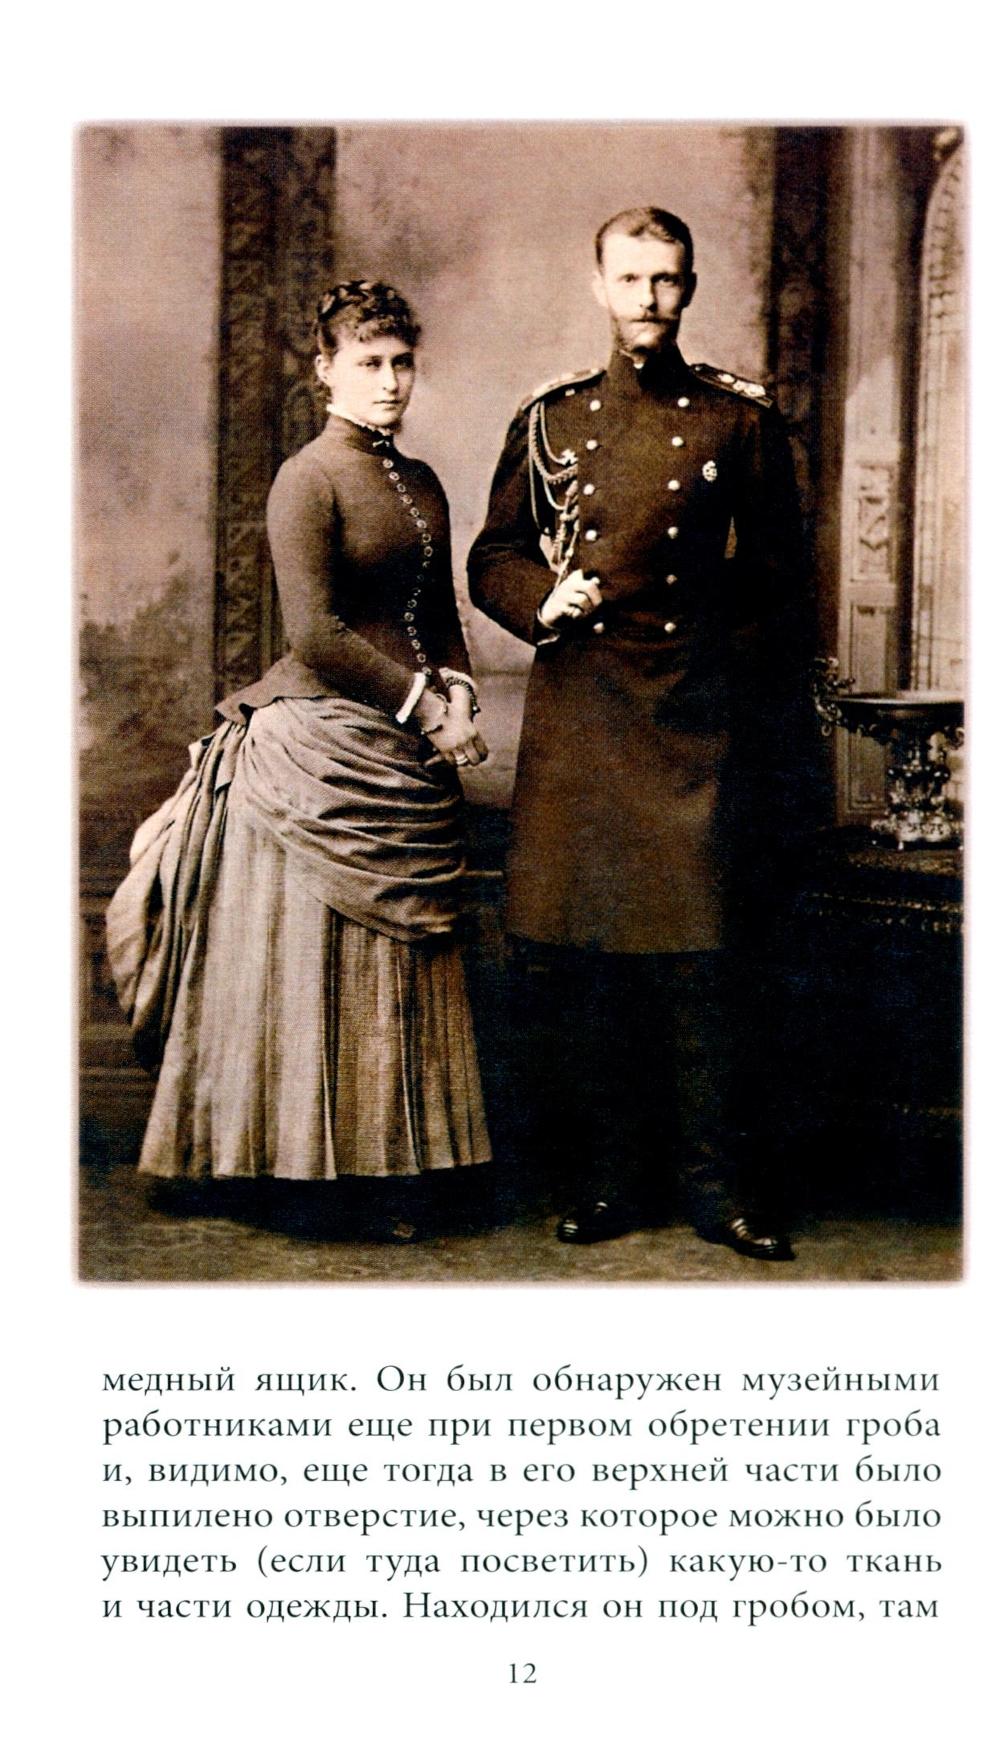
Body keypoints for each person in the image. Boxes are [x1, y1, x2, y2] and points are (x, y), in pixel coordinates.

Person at [468, 208, 819, 1260]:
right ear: (599, 286)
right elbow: (492, 555)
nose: (649, 299)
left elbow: (781, 576)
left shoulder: (736, 422)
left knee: (704, 962)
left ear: (690, 287)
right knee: (597, 960)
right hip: (585, 711)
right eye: (630, 279)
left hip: (693, 716)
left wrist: (715, 657)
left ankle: (719, 1190)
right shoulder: (552, 420)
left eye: (666, 279)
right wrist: (542, 603)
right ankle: (610, 1181)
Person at [107, 280, 491, 1239]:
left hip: (405, 747)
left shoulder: (425, 481)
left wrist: (459, 693)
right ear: (326, 370)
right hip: (313, 750)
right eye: (368, 363)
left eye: (402, 363)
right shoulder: (306, 478)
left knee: (389, 976)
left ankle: (392, 1170)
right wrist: (423, 707)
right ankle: (295, 1172)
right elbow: (316, 632)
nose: (390, 382)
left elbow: (437, 614)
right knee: (310, 974)